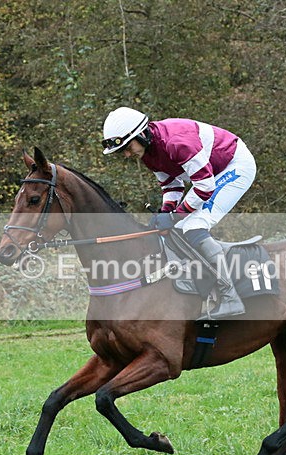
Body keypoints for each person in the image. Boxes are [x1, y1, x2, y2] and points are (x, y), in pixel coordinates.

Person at [101, 106, 257, 320]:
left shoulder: (176, 143)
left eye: (127, 147)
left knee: (193, 225)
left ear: (141, 135)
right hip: (209, 176)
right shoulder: (148, 152)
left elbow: (205, 186)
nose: (127, 155)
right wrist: (165, 213)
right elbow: (171, 186)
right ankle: (200, 289)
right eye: (122, 152)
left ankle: (230, 297)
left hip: (234, 166)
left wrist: (175, 215)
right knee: (178, 227)